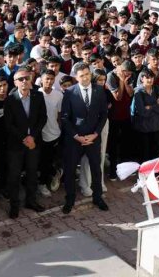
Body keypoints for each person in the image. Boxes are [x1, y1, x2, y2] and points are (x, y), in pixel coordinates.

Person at [59, 62, 108, 214]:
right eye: (82, 76)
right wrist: (76, 136)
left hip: (93, 138)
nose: (85, 78)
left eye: (87, 74)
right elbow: (65, 118)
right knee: (70, 170)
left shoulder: (99, 90)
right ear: (76, 77)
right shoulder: (69, 92)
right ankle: (70, 199)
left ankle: (98, 197)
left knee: (96, 169)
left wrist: (96, 133)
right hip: (75, 140)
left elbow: (103, 115)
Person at [4, 66, 47, 218]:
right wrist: (25, 138)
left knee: (32, 173)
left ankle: (31, 201)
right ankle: (14, 205)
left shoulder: (38, 96)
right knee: (14, 176)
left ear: (31, 80)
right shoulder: (10, 99)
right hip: (16, 144)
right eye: (20, 79)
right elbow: (8, 124)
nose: (24, 81)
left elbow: (43, 118)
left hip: (34, 143)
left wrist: (32, 137)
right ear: (15, 82)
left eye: (27, 78)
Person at [131, 67, 159, 163]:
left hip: (156, 127)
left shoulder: (157, 89)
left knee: (156, 154)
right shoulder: (138, 92)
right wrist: (156, 105)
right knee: (145, 155)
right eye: (147, 78)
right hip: (143, 128)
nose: (150, 80)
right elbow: (142, 112)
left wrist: (149, 107)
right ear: (142, 79)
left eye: (151, 77)